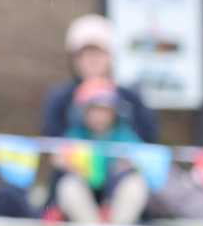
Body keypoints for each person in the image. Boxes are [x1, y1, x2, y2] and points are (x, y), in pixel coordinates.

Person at [40, 14, 157, 143]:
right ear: (74, 59)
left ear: (110, 56)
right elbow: (52, 140)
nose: (92, 59)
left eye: (98, 53)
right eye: (85, 54)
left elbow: (147, 140)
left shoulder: (131, 99)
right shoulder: (60, 99)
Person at [52, 77, 150, 225]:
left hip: (116, 193)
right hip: (86, 190)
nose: (99, 116)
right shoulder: (76, 134)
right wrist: (67, 163)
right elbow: (57, 157)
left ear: (114, 112)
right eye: (94, 110)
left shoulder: (125, 134)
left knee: (136, 184)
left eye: (104, 110)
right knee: (68, 185)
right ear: (83, 112)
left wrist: (129, 165)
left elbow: (143, 159)